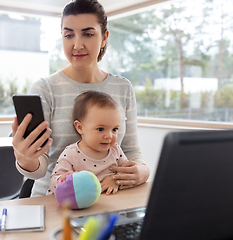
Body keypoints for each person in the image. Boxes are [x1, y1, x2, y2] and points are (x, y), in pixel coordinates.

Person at [12, 0, 150, 197]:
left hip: (110, 200)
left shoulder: (123, 88)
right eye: (69, 35)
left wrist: (143, 170)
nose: (77, 45)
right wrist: (25, 159)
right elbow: (41, 168)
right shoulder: (45, 89)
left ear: (104, 37)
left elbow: (131, 150)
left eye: (88, 33)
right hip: (56, 202)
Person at [48, 91, 130, 196]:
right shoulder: (71, 154)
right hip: (77, 206)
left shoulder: (115, 150)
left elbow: (127, 173)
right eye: (101, 129)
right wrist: (64, 179)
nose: (109, 136)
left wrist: (115, 180)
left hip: (108, 205)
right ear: (80, 127)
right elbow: (53, 183)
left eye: (114, 129)